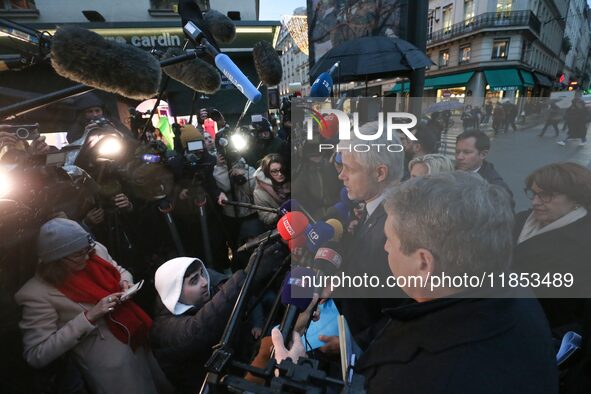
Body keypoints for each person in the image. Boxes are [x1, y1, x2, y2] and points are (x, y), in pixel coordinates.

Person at [272, 172, 559, 393]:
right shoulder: (513, 293)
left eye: (391, 241)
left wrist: (292, 378)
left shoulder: (424, 377)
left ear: (424, 262)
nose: (385, 248)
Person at [14, 218, 171, 394]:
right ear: (56, 260)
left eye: (87, 250)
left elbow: (118, 270)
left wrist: (125, 282)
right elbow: (37, 354)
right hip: (111, 368)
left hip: (137, 339)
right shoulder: (36, 294)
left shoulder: (95, 251)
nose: (88, 257)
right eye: (79, 254)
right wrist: (89, 317)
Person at [150, 244, 288, 393]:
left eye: (202, 273)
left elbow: (231, 295)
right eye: (194, 280)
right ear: (175, 293)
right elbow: (198, 329)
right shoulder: (163, 331)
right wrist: (248, 277)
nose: (204, 282)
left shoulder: (206, 292)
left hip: (238, 371)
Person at [513, 163, 591, 332]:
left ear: (575, 198)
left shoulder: (584, 243)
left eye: (546, 195)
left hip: (545, 326)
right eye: (533, 194)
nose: (535, 202)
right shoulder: (520, 220)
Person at [455, 131, 513, 202]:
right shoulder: (450, 173)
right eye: (457, 152)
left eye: (467, 152)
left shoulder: (495, 188)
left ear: (483, 154)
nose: (459, 157)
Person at [253, 153, 290, 227]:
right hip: (282, 226)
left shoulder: (292, 178)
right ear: (267, 173)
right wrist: (280, 212)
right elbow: (265, 217)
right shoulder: (259, 192)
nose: (280, 174)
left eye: (281, 169)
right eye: (274, 171)